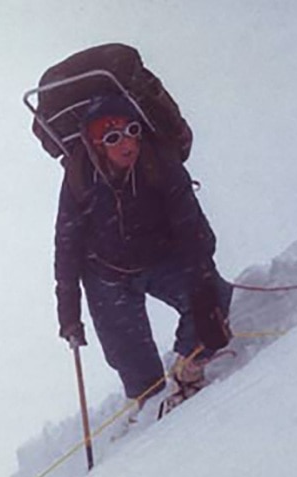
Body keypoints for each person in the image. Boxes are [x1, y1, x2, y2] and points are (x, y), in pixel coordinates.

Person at [53, 94, 232, 413]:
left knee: (213, 298)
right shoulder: (80, 175)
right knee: (129, 358)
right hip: (105, 274)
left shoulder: (159, 162)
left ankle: (188, 372)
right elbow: (67, 244)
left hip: (162, 259)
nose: (127, 143)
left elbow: (192, 229)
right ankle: (150, 417)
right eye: (112, 137)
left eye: (132, 130)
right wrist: (69, 313)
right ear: (96, 145)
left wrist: (203, 287)